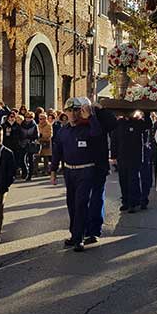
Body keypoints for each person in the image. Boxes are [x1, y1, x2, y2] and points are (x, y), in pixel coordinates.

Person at [50, 97, 102, 252]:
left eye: (76, 110)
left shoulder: (88, 127)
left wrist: (90, 117)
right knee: (71, 204)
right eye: (69, 110)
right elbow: (57, 152)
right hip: (69, 171)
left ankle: (79, 238)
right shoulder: (63, 131)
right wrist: (53, 171)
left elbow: (98, 134)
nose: (72, 114)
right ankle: (74, 234)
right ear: (65, 112)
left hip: (85, 170)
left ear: (82, 111)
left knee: (81, 203)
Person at [86, 103, 117, 243]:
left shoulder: (99, 119)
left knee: (96, 198)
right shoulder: (76, 121)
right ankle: (82, 229)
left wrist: (101, 109)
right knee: (82, 200)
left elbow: (112, 123)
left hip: (99, 165)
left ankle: (94, 230)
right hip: (82, 166)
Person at [112, 110, 153, 212]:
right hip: (122, 157)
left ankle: (132, 203)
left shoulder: (137, 122)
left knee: (132, 180)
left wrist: (146, 113)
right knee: (123, 180)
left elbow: (148, 125)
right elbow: (114, 140)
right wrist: (114, 156)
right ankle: (125, 201)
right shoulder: (118, 123)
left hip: (135, 157)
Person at [18, 112, 39, 181]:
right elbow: (19, 133)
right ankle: (25, 171)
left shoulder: (34, 125)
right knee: (21, 159)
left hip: (30, 143)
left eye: (30, 118)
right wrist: (21, 138)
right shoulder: (22, 124)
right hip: (23, 143)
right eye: (27, 117)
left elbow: (37, 135)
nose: (28, 119)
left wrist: (30, 138)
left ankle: (30, 175)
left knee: (31, 160)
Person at [2, 111, 23, 177]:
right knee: (7, 159)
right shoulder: (4, 125)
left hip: (15, 145)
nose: (12, 118)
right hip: (7, 144)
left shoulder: (17, 125)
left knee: (15, 158)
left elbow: (20, 134)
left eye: (13, 117)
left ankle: (14, 172)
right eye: (11, 117)